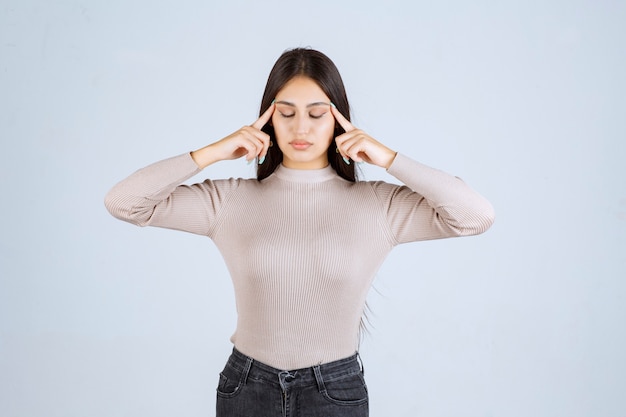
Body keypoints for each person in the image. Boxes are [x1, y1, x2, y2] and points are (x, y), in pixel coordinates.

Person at [105, 47, 495, 417]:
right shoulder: (229, 201)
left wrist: (389, 158)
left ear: (339, 119)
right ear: (268, 119)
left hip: (334, 391)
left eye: (316, 113)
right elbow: (125, 202)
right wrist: (214, 151)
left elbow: (474, 216)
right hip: (246, 387)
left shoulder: (378, 205)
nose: (300, 127)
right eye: (286, 113)